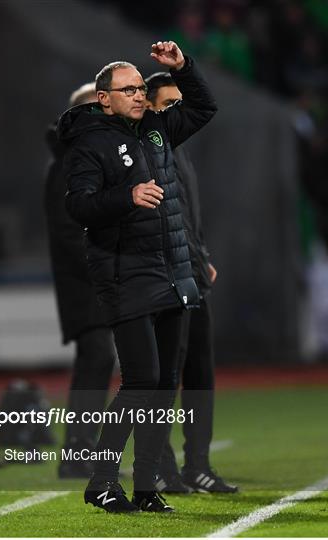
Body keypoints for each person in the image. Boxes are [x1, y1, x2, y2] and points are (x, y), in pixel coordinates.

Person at [57, 41, 217, 513]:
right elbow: (78, 206)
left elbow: (205, 106)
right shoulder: (89, 143)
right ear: (103, 98)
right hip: (125, 272)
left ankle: (146, 485)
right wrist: (126, 197)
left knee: (165, 383)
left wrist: (183, 68)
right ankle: (102, 479)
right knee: (141, 379)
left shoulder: (155, 130)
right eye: (127, 90)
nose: (138, 96)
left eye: (140, 89)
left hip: (169, 269)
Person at [145, 72, 238, 494]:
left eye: (177, 105)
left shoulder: (177, 152)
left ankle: (197, 464)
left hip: (193, 273)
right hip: (164, 277)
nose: (175, 113)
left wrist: (202, 258)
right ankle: (158, 465)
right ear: (148, 107)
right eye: (167, 105)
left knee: (200, 372)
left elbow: (188, 216)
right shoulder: (145, 148)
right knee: (164, 374)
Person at [45, 83, 117, 479]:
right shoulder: (70, 164)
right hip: (84, 280)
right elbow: (70, 231)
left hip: (91, 277)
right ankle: (77, 451)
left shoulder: (79, 159)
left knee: (97, 359)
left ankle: (79, 449)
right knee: (98, 356)